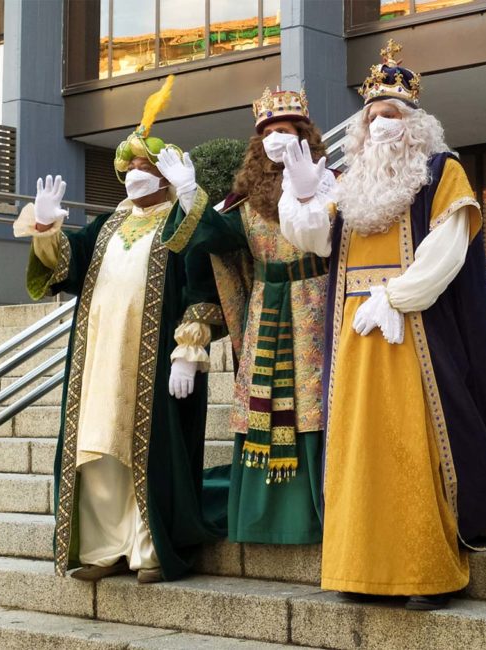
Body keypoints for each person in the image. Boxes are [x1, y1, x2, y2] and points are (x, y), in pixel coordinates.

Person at [278, 40, 486, 608]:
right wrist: (301, 191)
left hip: (410, 323)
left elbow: (450, 243)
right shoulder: (350, 180)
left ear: (415, 123)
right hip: (351, 332)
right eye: (373, 116)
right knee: (358, 450)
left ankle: (423, 573)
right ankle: (359, 570)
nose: (381, 125)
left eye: (392, 115)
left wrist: (398, 296)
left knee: (412, 445)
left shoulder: (442, 168)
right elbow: (315, 239)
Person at [13, 75, 223, 583]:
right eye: (126, 167)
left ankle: (148, 549)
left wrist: (188, 350)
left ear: (164, 175)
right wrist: (45, 228)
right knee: (98, 445)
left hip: (152, 359)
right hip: (98, 356)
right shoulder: (107, 224)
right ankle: (105, 547)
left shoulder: (179, 217)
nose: (132, 175)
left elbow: (204, 270)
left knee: (148, 452)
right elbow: (64, 268)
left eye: (143, 167)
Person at [156, 87, 334, 545]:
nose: (276, 139)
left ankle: (319, 512)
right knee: (265, 402)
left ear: (306, 138)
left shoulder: (329, 183)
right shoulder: (241, 200)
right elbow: (210, 239)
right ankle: (261, 517)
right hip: (265, 306)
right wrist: (190, 195)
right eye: (269, 133)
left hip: (317, 303)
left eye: (287, 131)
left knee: (313, 403)